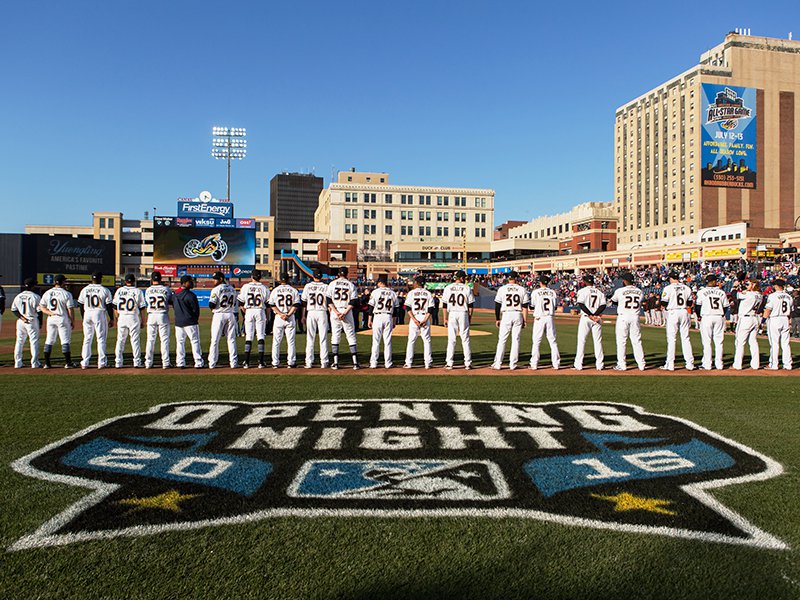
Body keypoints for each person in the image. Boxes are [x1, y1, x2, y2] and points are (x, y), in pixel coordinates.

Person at [491, 271, 529, 370]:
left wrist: (497, 318)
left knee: (502, 340)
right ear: (516, 278)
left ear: (508, 278)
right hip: (517, 314)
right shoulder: (522, 289)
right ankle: (513, 364)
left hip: (506, 314)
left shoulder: (502, 289)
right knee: (516, 340)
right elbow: (525, 306)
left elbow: (497, 305)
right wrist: (525, 320)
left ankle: (498, 363)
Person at [77, 271, 114, 369]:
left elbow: (81, 305)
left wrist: (83, 316)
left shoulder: (85, 289)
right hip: (99, 313)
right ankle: (101, 362)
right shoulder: (104, 290)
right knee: (101, 338)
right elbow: (109, 306)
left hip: (87, 313)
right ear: (100, 279)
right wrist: (111, 318)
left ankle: (84, 362)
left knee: (87, 339)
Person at [39, 274, 77, 368]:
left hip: (51, 318)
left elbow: (41, 307)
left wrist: (50, 312)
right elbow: (70, 309)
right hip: (62, 318)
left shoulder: (47, 293)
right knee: (65, 340)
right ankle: (68, 363)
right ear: (63, 282)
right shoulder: (66, 293)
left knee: (49, 340)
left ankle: (47, 363)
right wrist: (72, 320)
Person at [609, 272, 646, 371]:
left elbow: (613, 301)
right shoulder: (640, 291)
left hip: (623, 316)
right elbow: (641, 301)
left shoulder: (620, 291)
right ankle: (641, 364)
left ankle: (622, 364)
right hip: (635, 316)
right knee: (637, 341)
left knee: (621, 341)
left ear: (625, 281)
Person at [660, 271, 695, 371]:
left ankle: (670, 364)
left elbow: (663, 302)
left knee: (672, 339)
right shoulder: (686, 287)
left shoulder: (668, 288)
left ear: (671, 278)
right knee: (686, 338)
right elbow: (689, 302)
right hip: (684, 311)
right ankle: (690, 363)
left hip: (673, 312)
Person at [327, 266, 360, 370]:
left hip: (335, 311)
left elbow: (328, 300)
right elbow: (354, 301)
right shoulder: (351, 284)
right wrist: (345, 313)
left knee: (335, 336)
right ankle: (355, 363)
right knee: (350, 336)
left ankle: (336, 363)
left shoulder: (332, 284)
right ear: (347, 273)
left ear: (338, 273)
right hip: (347, 311)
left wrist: (336, 312)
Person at [695, 274, 729, 370]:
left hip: (707, 317)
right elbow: (726, 307)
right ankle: (719, 364)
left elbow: (698, 306)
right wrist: (721, 314)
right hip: (719, 316)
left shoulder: (702, 292)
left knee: (707, 342)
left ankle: (707, 364)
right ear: (714, 281)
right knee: (719, 342)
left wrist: (698, 316)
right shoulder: (721, 292)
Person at [113, 274, 146, 368]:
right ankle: (137, 362)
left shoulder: (119, 291)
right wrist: (143, 321)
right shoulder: (138, 291)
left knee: (120, 340)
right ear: (134, 281)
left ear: (125, 281)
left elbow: (115, 307)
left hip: (122, 317)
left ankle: (118, 362)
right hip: (133, 317)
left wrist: (117, 318)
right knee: (135, 340)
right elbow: (142, 308)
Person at [238, 269, 269, 368]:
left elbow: (240, 303)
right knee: (260, 336)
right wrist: (267, 316)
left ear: (251, 277)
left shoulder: (246, 287)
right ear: (260, 277)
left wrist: (245, 312)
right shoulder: (264, 288)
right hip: (260, 311)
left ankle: (246, 362)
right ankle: (261, 362)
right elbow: (268, 304)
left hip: (249, 311)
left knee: (249, 336)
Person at [443, 270, 474, 370]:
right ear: (461, 278)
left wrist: (445, 318)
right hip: (463, 313)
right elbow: (471, 305)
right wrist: (469, 317)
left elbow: (444, 305)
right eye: (464, 277)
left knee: (451, 339)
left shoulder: (448, 287)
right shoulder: (467, 288)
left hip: (452, 313)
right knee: (465, 339)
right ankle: (468, 363)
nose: (465, 279)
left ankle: (449, 363)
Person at [269, 273, 301, 368]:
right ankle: (291, 362)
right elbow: (296, 305)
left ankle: (275, 363)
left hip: (279, 317)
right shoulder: (293, 290)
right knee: (290, 341)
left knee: (276, 341)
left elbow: (272, 305)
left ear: (280, 280)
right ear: (288, 279)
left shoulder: (275, 290)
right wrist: (288, 314)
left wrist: (280, 314)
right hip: (289, 317)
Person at [171, 275, 204, 369]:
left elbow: (172, 304)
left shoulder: (175, 295)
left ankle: (180, 362)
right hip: (190, 322)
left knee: (180, 342)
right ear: (185, 283)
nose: (192, 283)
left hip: (179, 322)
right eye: (190, 281)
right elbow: (196, 310)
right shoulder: (191, 295)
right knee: (195, 341)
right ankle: (198, 362)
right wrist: (195, 319)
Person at [574, 274, 605, 371]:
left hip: (587, 317)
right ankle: (599, 365)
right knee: (598, 341)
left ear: (585, 282)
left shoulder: (582, 291)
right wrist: (595, 314)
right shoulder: (599, 292)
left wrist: (590, 315)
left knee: (582, 340)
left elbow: (581, 304)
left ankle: (579, 364)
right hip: (597, 318)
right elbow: (603, 305)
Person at [528, 275, 560, 370]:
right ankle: (556, 364)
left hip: (539, 318)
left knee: (536, 342)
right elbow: (555, 307)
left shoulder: (536, 292)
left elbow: (532, 306)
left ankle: (534, 364)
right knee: (553, 341)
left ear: (540, 282)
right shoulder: (552, 292)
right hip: (549, 317)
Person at [208, 271, 239, 369]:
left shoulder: (216, 289)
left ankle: (212, 363)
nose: (214, 280)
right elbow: (234, 304)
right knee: (231, 339)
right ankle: (234, 363)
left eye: (215, 279)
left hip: (219, 314)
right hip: (230, 314)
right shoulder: (232, 288)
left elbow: (211, 305)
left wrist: (213, 307)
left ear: (221, 279)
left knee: (215, 340)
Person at [301, 269, 330, 369]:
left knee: (310, 338)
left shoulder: (308, 286)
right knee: (323, 338)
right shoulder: (326, 286)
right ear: (321, 276)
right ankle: (324, 362)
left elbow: (304, 302)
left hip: (311, 312)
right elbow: (330, 302)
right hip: (322, 312)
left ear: (313, 276)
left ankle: (309, 362)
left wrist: (303, 315)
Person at [404, 276, 435, 369]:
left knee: (411, 340)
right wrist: (425, 320)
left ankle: (408, 363)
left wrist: (414, 319)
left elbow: (408, 308)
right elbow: (431, 309)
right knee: (427, 341)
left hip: (415, 317)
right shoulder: (428, 293)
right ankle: (427, 363)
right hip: (425, 317)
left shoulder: (411, 293)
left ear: (417, 283)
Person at [368, 274, 398, 369]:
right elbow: (396, 309)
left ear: (380, 283)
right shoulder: (392, 293)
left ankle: (373, 363)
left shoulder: (375, 292)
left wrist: (370, 319)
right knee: (387, 341)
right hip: (388, 316)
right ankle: (388, 363)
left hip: (378, 316)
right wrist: (394, 321)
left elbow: (371, 307)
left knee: (376, 341)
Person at [731, 278, 763, 370]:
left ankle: (737, 364)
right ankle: (755, 364)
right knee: (753, 342)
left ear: (753, 285)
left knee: (740, 342)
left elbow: (734, 295)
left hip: (745, 319)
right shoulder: (760, 295)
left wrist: (734, 286)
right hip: (755, 318)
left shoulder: (748, 294)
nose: (747, 286)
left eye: (748, 284)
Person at [763, 278, 793, 370]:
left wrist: (762, 322)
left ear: (776, 286)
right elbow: (791, 311)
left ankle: (773, 364)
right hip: (785, 319)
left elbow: (768, 310)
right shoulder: (789, 296)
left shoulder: (772, 296)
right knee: (785, 343)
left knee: (774, 343)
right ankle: (788, 365)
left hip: (775, 319)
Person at [144, 271, 172, 369]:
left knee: (150, 340)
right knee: (164, 340)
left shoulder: (148, 290)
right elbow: (170, 301)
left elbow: (147, 302)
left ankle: (148, 362)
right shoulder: (166, 289)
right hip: (162, 314)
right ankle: (165, 362)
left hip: (151, 315)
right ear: (161, 279)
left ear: (152, 279)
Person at [12, 278, 42, 368]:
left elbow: (14, 310)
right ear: (33, 286)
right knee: (33, 341)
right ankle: (34, 363)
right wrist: (40, 323)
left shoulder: (18, 296)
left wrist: (22, 318)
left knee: (19, 341)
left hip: (21, 321)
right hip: (32, 320)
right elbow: (39, 311)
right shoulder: (35, 297)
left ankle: (17, 363)